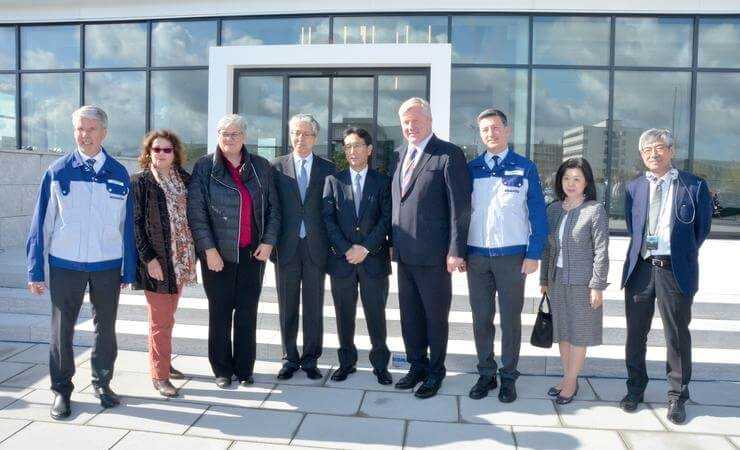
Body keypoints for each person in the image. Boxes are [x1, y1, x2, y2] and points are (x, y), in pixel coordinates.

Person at [26, 105, 136, 419]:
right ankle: (62, 390)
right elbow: (40, 225)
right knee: (62, 331)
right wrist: (36, 269)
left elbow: (125, 226)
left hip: (107, 265)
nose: (84, 135)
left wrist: (129, 268)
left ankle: (103, 384)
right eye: (79, 129)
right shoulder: (58, 171)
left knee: (106, 330)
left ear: (104, 133)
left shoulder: (118, 173)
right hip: (65, 264)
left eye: (91, 129)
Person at [620, 128, 712, 424]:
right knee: (636, 335)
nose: (653, 154)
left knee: (676, 336)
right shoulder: (634, 187)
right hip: (641, 270)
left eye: (659, 148)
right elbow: (633, 228)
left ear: (671, 151)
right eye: (647, 150)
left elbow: (701, 230)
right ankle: (635, 389)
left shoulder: (694, 186)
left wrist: (678, 254)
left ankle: (676, 397)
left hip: (674, 270)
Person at [188, 114, 280, 388]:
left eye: (235, 134)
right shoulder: (205, 166)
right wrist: (209, 250)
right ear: (217, 136)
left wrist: (268, 242)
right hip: (219, 256)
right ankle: (222, 370)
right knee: (220, 312)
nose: (229, 139)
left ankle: (244, 369)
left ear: (245, 137)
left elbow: (275, 209)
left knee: (247, 312)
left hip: (253, 254)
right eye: (224, 134)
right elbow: (197, 212)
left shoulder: (261, 166)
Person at [390, 97, 470, 399]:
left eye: (416, 120)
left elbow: (459, 208)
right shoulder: (398, 155)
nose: (411, 126)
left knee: (435, 317)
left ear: (429, 120)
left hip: (436, 256)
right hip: (404, 253)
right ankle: (416, 366)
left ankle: (436, 371)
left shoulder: (448, 154)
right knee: (410, 315)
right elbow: (396, 203)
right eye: (406, 122)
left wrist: (455, 250)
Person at [465, 108, 547, 402]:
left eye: (496, 127)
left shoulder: (525, 167)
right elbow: (462, 213)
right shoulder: (471, 168)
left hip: (513, 258)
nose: (491, 133)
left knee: (510, 320)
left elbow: (537, 213)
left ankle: (508, 376)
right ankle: (486, 374)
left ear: (507, 130)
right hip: (477, 258)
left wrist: (534, 252)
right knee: (481, 318)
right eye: (485, 129)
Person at [322, 127, 393, 385]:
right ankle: (346, 363)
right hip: (342, 262)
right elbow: (328, 220)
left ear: (369, 150)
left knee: (376, 315)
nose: (352, 151)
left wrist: (365, 248)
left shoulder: (383, 182)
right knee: (344, 315)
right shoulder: (333, 181)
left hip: (373, 261)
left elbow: (386, 220)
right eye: (348, 146)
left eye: (358, 146)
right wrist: (346, 248)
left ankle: (381, 366)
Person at [132, 130, 196, 397]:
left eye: (166, 150)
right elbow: (135, 224)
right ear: (148, 153)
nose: (161, 154)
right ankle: (159, 376)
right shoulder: (141, 182)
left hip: (180, 260)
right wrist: (149, 259)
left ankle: (164, 362)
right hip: (157, 261)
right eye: (156, 149)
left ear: (175, 153)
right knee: (159, 320)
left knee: (168, 317)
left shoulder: (184, 179)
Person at [272, 114, 336, 380]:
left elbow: (332, 210)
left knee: (313, 305)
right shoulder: (275, 167)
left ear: (315, 138)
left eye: (306, 133)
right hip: (286, 248)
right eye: (296, 133)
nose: (300, 138)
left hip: (315, 248)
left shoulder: (328, 168)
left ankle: (311, 359)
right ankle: (289, 357)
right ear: (290, 135)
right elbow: (271, 208)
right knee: (287, 305)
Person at [540, 157, 609, 405]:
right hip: (557, 281)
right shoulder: (554, 209)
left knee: (579, 334)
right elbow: (547, 248)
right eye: (566, 178)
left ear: (586, 182)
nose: (571, 183)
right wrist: (544, 280)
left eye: (576, 179)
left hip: (583, 283)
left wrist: (597, 286)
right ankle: (568, 376)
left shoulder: (594, 210)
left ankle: (570, 382)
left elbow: (601, 250)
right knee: (563, 333)